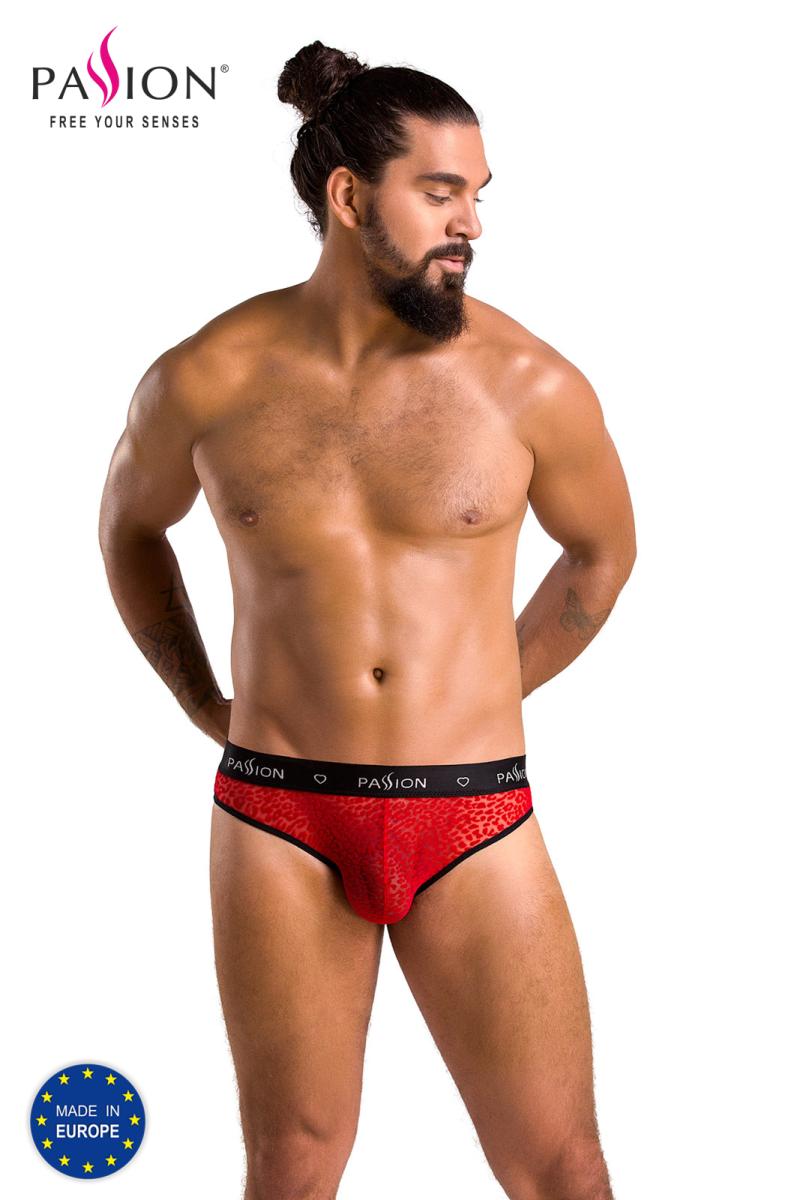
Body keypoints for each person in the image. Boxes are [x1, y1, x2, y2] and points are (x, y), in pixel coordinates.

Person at [99, 39, 636, 1200]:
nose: (470, 224)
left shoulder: (529, 385)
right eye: (439, 193)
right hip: (277, 812)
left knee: (560, 1164)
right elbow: (129, 532)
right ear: (348, 199)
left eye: (476, 195)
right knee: (292, 1163)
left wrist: (489, 682)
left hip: (471, 813)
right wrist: (198, 699)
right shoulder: (205, 376)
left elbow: (602, 553)